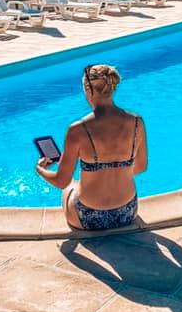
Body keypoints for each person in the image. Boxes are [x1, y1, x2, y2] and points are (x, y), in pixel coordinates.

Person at [35, 63, 147, 230]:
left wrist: (40, 169)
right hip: (127, 212)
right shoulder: (137, 122)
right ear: (113, 88)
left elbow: (61, 181)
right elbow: (141, 167)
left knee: (71, 186)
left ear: (88, 90)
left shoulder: (78, 129)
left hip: (88, 216)